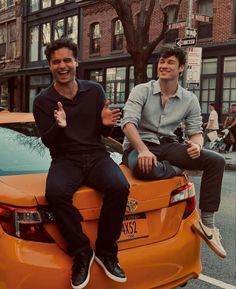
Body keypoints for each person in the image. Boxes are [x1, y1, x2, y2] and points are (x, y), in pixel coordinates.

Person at [33, 38, 129, 289]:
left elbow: (102, 134)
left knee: (119, 186)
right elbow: (48, 142)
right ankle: (82, 252)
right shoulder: (43, 100)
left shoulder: (94, 90)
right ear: (50, 66)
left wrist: (107, 123)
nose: (62, 66)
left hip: (96, 155)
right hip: (65, 159)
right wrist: (59, 126)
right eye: (56, 62)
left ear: (77, 61)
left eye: (67, 60)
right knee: (54, 193)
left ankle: (107, 253)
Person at [121, 46, 226, 258]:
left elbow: (196, 132)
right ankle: (178, 169)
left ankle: (207, 224)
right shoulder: (142, 90)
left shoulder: (189, 99)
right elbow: (128, 123)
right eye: (162, 61)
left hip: (168, 146)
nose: (164, 66)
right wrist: (142, 150)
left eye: (170, 62)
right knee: (144, 169)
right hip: (138, 145)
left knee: (216, 161)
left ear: (181, 68)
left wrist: (197, 145)